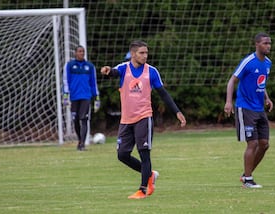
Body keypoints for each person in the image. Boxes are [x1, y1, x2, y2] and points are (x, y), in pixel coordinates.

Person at [101, 40, 186, 199]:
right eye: (141, 53)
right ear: (133, 54)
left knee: (144, 153)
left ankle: (142, 189)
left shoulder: (152, 71)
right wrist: (107, 71)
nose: (145, 56)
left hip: (144, 117)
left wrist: (177, 112)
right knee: (122, 155)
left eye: (146, 53)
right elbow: (114, 72)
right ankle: (150, 174)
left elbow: (163, 94)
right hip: (126, 120)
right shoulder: (123, 68)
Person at [224, 32, 273, 188]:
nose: (268, 46)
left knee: (264, 144)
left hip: (259, 109)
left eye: (269, 43)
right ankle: (248, 179)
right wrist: (228, 102)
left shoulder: (268, 63)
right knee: (252, 144)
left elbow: (261, 83)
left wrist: (267, 98)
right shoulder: (248, 62)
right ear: (257, 44)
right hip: (245, 108)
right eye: (265, 43)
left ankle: (246, 174)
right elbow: (232, 80)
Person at [63, 45, 100, 151]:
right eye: (79, 51)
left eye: (83, 51)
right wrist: (65, 95)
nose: (81, 53)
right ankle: (80, 140)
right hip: (74, 96)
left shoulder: (90, 66)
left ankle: (82, 144)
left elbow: (93, 83)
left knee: (84, 119)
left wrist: (96, 97)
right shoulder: (69, 65)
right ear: (75, 53)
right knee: (75, 120)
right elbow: (66, 81)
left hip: (86, 96)